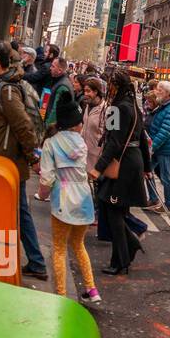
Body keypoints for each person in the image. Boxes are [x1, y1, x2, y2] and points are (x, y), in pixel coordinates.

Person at [0, 41, 47, 280]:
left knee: (20, 211)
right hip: (4, 159)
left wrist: (33, 157)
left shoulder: (7, 90)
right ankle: (30, 260)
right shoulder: (3, 85)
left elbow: (22, 126)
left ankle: (36, 262)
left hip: (8, 162)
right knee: (17, 210)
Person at [37, 91, 100, 305]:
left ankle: (61, 294)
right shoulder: (81, 144)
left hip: (63, 201)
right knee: (78, 245)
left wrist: (42, 194)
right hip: (83, 201)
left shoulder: (51, 144)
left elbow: (46, 179)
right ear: (76, 124)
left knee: (59, 249)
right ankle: (91, 289)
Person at [94, 68, 152, 275]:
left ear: (115, 86)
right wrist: (147, 167)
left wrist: (98, 167)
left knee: (113, 212)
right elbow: (143, 138)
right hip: (133, 161)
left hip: (121, 164)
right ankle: (122, 256)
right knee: (116, 211)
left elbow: (114, 142)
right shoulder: (134, 107)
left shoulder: (116, 109)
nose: (107, 87)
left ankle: (122, 258)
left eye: (109, 83)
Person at [146, 80, 170, 214]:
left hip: (164, 148)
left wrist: (151, 147)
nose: (157, 92)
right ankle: (154, 198)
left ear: (167, 93)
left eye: (159, 90)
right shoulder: (164, 105)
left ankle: (169, 204)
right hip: (158, 147)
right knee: (147, 171)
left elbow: (164, 132)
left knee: (165, 176)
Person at [42, 56, 75, 126]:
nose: (50, 68)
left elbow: (55, 112)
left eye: (53, 66)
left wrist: (47, 128)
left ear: (59, 70)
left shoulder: (63, 86)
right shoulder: (56, 80)